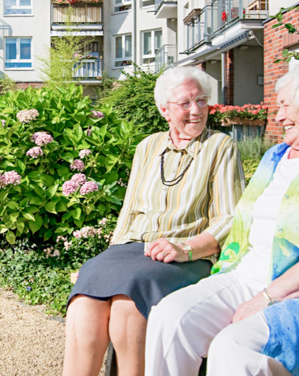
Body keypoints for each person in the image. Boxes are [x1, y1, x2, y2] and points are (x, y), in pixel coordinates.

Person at [145, 63, 299, 376]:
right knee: (171, 316)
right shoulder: (274, 155)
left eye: (285, 106)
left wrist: (267, 296)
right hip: (245, 278)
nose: (277, 117)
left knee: (233, 348)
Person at [63, 66, 245, 376]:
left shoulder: (220, 146)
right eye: (185, 104)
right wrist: (104, 260)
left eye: (201, 101)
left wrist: (186, 247)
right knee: (84, 302)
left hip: (185, 255)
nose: (196, 110)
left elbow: (231, 217)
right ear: (165, 110)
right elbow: (130, 210)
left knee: (127, 306)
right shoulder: (148, 147)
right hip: (132, 248)